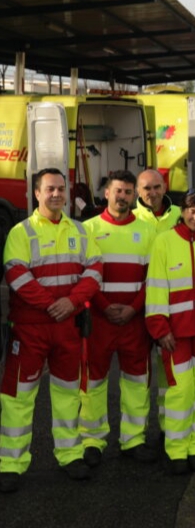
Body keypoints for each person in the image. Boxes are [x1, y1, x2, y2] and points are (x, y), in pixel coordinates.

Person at [0, 169, 102, 492]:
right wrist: (53, 305)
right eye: (50, 189)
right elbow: (16, 274)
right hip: (30, 328)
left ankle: (70, 454)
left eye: (61, 188)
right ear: (36, 194)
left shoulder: (80, 231)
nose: (56, 194)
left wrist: (71, 302)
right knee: (18, 396)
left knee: (68, 394)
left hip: (68, 326)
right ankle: (11, 464)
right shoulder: (21, 232)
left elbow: (95, 270)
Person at [145, 190, 195, 475]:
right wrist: (159, 327)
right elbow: (156, 285)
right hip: (175, 334)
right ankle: (176, 450)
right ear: (182, 212)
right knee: (180, 391)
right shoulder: (164, 242)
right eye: (192, 210)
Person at [80, 170, 158, 467]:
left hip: (133, 320)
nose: (122, 196)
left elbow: (153, 277)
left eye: (127, 192)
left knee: (137, 381)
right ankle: (92, 441)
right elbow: (84, 274)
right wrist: (103, 306)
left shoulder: (148, 231)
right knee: (93, 380)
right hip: (99, 319)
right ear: (106, 193)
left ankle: (133, 439)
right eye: (118, 191)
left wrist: (133, 309)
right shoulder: (88, 229)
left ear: (134, 195)